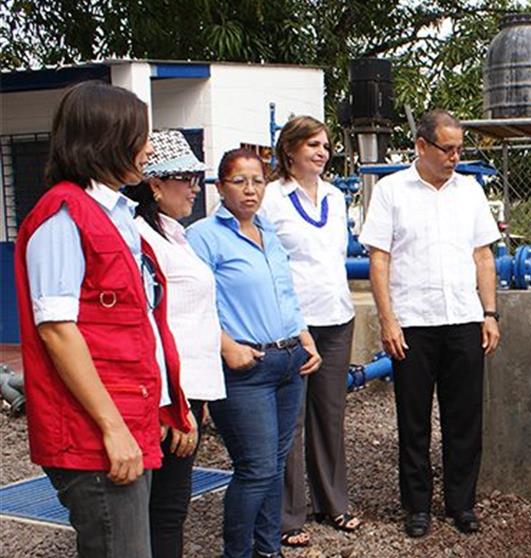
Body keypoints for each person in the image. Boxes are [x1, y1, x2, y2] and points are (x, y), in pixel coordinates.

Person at [12, 81, 191, 557]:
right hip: (96, 431)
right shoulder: (62, 217)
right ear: (107, 138)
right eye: (141, 135)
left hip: (127, 417)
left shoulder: (113, 214)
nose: (149, 148)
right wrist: (114, 428)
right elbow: (57, 330)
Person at [358, 109, 501, 538]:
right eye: (448, 148)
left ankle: (461, 504)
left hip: (462, 318)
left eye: (460, 148)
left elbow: (483, 256)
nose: (456, 156)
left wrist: (489, 313)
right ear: (422, 146)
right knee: (413, 420)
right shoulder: (391, 191)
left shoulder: (470, 192)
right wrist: (387, 320)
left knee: (465, 420)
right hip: (413, 324)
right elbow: (378, 259)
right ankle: (416, 506)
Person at [186, 149, 322, 558]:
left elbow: (285, 293)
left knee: (275, 466)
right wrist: (227, 347)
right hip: (247, 368)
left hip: (287, 360)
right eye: (239, 181)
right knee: (256, 468)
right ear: (220, 187)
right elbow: (194, 303)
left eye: (258, 181)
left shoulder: (269, 233)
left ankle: (268, 550)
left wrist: (304, 337)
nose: (250, 190)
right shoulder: (204, 237)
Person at [126, 130, 225, 558]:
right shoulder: (141, 237)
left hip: (187, 388)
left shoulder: (172, 233)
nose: (193, 188)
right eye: (184, 177)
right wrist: (174, 405)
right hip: (169, 392)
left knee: (170, 507)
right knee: (163, 508)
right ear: (154, 184)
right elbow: (150, 324)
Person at [261, 116, 360, 548]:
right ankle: (287, 515)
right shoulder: (269, 199)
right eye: (313, 145)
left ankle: (333, 501)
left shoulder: (337, 198)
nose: (322, 152)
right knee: (292, 418)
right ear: (290, 150)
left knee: (330, 413)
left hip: (336, 315)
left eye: (325, 145)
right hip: (291, 324)